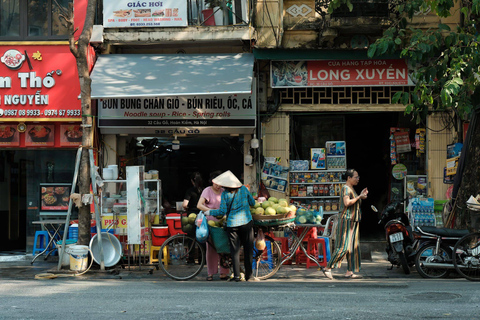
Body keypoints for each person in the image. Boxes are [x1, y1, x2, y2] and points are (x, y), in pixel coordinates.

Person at [205, 170, 257, 282]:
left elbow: (222, 211)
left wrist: (209, 212)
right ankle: (249, 276)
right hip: (246, 223)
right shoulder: (244, 189)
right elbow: (252, 203)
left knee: (235, 251)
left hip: (232, 225)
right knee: (248, 249)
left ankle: (237, 276)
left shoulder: (225, 194)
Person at [323, 168, 368, 280]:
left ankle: (349, 271)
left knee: (353, 247)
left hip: (354, 220)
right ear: (349, 178)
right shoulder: (346, 188)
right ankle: (328, 268)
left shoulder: (351, 188)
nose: (358, 179)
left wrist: (361, 195)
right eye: (356, 177)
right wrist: (359, 197)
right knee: (343, 246)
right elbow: (347, 203)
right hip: (346, 220)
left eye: (358, 177)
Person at [197, 170, 229, 281]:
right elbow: (199, 205)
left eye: (220, 183)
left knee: (223, 247)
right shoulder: (207, 191)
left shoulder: (224, 192)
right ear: (212, 181)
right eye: (216, 183)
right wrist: (211, 211)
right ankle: (210, 273)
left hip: (222, 223)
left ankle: (224, 272)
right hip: (210, 223)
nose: (218, 185)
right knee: (211, 249)